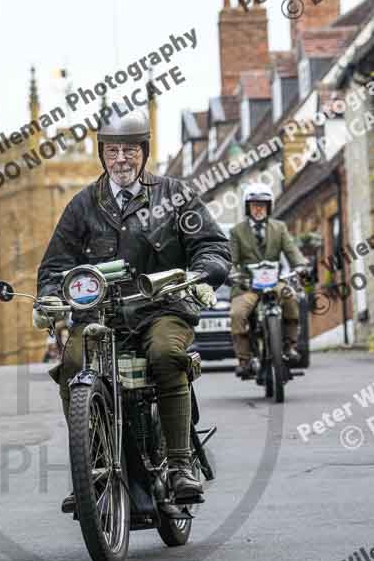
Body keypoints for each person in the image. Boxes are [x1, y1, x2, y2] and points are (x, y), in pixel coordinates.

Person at [33, 108, 231, 511]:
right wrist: (51, 295)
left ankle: (179, 466)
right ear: (101, 154)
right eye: (112, 151)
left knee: (166, 354)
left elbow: (211, 244)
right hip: (99, 317)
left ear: (143, 151)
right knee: (72, 365)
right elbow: (56, 264)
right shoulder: (82, 205)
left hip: (162, 309)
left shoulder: (174, 195)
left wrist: (206, 271)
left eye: (129, 150)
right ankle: (90, 472)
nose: (120, 159)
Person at [229, 183, 307, 378]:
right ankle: (244, 360)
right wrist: (231, 273)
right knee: (238, 313)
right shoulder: (237, 231)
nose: (258, 209)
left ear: (269, 207)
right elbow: (232, 260)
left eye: (262, 205)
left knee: (291, 299)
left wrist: (300, 265)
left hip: (274, 281)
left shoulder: (279, 228)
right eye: (254, 205)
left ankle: (289, 346)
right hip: (247, 285)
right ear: (248, 207)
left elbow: (292, 251)